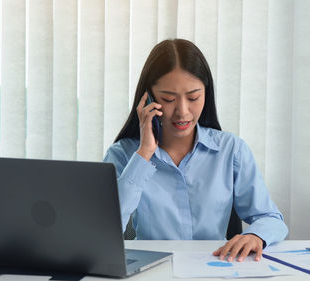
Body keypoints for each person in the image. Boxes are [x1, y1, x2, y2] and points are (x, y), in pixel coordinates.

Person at [104, 38, 288, 262]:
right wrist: (144, 154)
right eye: (168, 99)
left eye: (193, 97)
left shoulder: (231, 150)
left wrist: (256, 235)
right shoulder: (123, 154)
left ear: (206, 94)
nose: (182, 111)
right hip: (152, 271)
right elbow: (104, 231)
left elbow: (271, 218)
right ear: (148, 98)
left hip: (215, 268)